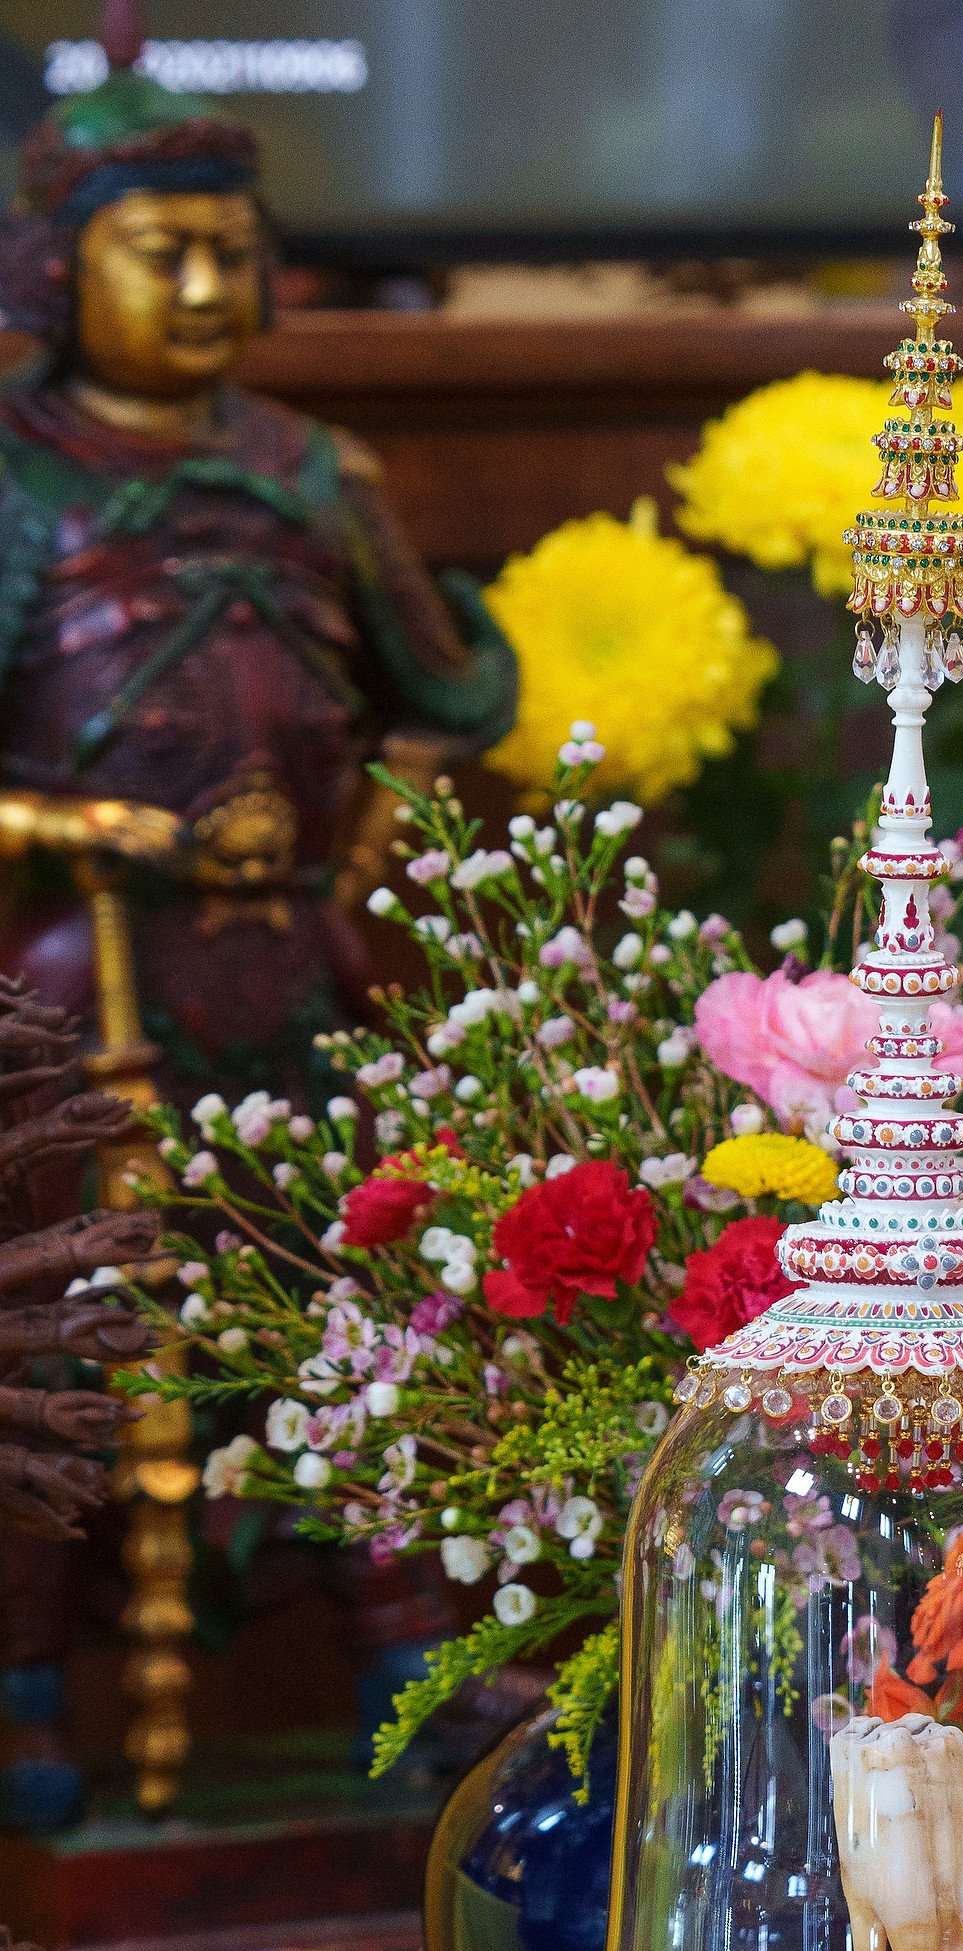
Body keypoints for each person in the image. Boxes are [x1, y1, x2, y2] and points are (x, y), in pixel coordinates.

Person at [0, 5, 515, 1820]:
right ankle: (27, 1702)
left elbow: (449, 706)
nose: (208, 283)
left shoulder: (316, 477)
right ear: (64, 268)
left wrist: (363, 852)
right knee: (66, 1340)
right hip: (77, 984)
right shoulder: (18, 480)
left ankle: (407, 1667)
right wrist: (87, 824)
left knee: (348, 1304)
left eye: (234, 248)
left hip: (297, 962)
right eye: (164, 250)